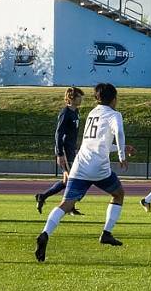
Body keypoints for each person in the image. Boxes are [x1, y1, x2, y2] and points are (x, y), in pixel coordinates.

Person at [35, 83, 134, 262]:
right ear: (113, 99)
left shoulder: (92, 113)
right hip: (99, 167)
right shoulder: (114, 114)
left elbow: (98, 143)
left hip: (81, 164)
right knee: (118, 194)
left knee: (65, 204)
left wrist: (120, 148)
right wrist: (121, 154)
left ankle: (45, 233)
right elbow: (119, 131)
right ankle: (106, 233)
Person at [34, 87, 85, 215]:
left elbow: (74, 133)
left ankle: (43, 197)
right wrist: (60, 153)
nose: (81, 99)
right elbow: (59, 133)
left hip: (71, 149)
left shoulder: (76, 112)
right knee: (72, 179)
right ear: (71, 98)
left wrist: (76, 146)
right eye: (79, 96)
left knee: (66, 181)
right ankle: (69, 207)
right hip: (65, 150)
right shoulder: (65, 112)